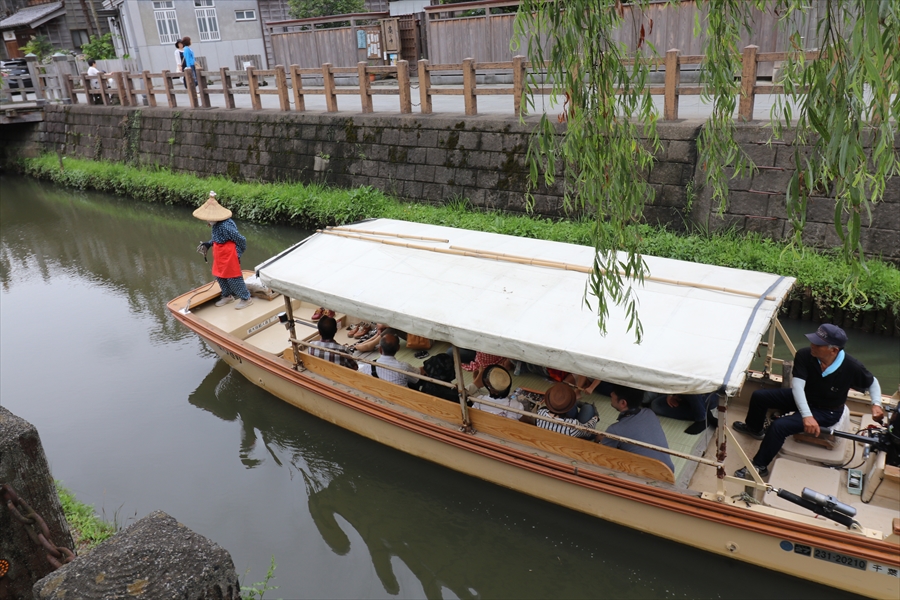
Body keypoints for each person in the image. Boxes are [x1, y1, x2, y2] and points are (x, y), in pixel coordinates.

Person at [732, 323, 881, 479]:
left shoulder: (852, 366)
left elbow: (873, 382)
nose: (812, 345)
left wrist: (876, 404)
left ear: (834, 350)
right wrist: (807, 415)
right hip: (804, 397)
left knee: (779, 426)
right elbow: (797, 387)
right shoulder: (805, 355)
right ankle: (754, 429)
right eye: (813, 341)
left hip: (827, 411)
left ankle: (759, 466)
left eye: (818, 344)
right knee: (759, 396)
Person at [193, 191, 253, 309]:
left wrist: (238, 252)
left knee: (233, 277)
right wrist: (209, 244)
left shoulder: (226, 225)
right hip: (219, 253)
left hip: (229, 253)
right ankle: (227, 296)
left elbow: (241, 239)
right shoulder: (215, 224)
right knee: (219, 275)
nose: (207, 221)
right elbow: (217, 238)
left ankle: (246, 298)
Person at [601, 384, 675, 472]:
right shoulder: (650, 413)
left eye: (614, 393)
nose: (611, 394)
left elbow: (602, 455)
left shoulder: (615, 430)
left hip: (646, 475)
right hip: (669, 471)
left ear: (623, 403)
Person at [649, 392, 718, 434]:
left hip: (707, 395)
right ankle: (706, 414)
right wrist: (671, 395)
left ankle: (701, 418)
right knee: (656, 405)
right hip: (682, 393)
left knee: (690, 386)